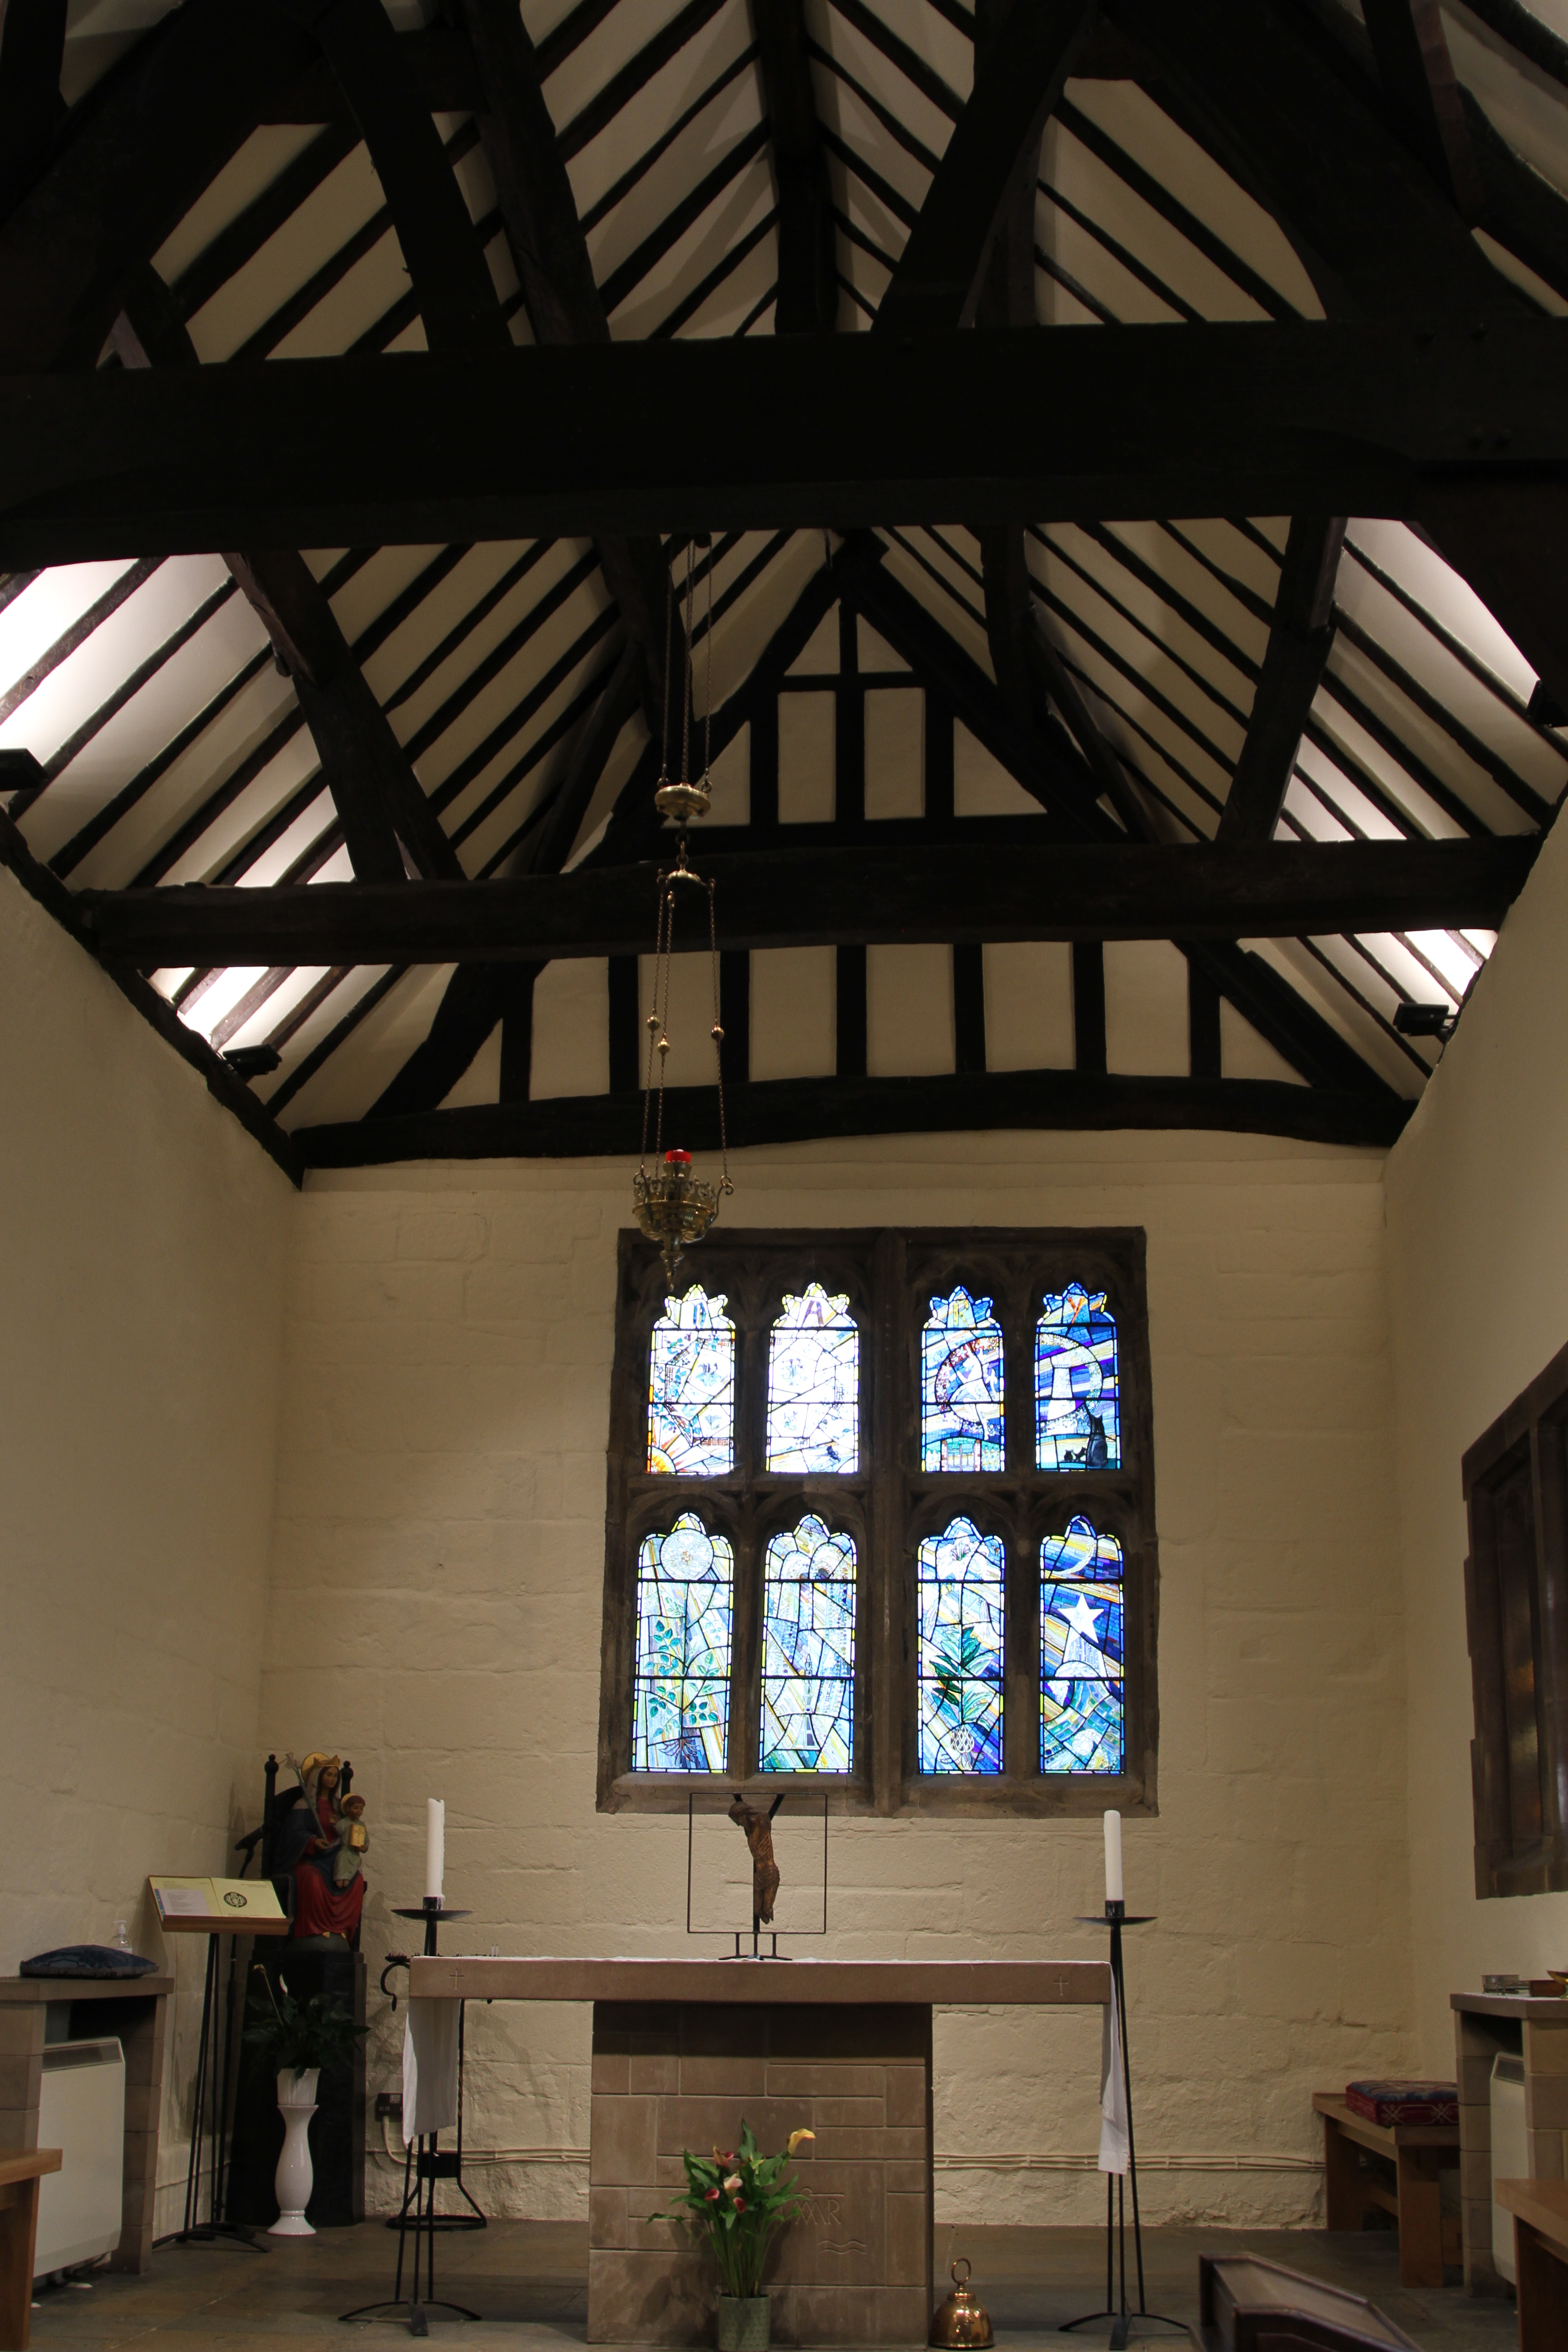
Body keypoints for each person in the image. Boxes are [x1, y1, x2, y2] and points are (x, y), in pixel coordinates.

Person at [276, 1752, 366, 1943]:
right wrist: (313, 1841)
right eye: (329, 1775)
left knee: (357, 1881)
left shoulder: (339, 1807)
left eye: (335, 1776)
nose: (333, 1779)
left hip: (334, 1857)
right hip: (312, 1859)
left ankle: (341, 1929)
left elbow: (348, 1830)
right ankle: (315, 1930)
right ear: (318, 1777)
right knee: (313, 1880)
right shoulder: (303, 1805)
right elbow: (294, 1833)